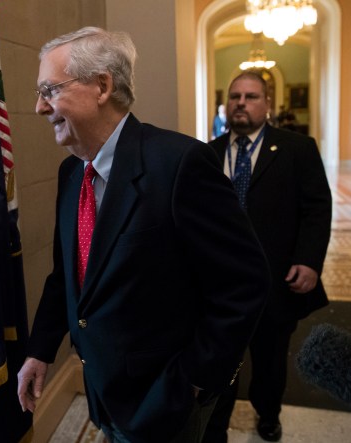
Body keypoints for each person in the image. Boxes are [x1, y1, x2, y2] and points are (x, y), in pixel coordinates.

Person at [16, 27, 271, 443]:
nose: (40, 107)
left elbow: (244, 284)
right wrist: (41, 349)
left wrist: (194, 380)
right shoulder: (71, 172)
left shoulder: (179, 164)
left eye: (50, 90)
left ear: (101, 86)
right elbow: (69, 274)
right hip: (104, 388)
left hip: (167, 397)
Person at [203, 71, 333, 443]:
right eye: (235, 97)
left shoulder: (297, 149)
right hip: (219, 284)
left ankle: (268, 413)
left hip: (276, 280)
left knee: (270, 358)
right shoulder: (207, 153)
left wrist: (309, 260)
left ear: (268, 105)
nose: (241, 103)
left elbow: (316, 209)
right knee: (220, 358)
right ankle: (216, 423)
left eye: (251, 96)